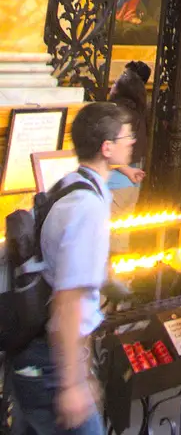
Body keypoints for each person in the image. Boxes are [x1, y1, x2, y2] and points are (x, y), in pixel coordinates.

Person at [10, 100, 136, 435]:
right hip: (51, 363)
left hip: (36, 357)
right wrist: (73, 382)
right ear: (107, 147)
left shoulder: (71, 185)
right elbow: (68, 301)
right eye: (127, 137)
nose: (132, 142)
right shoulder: (86, 207)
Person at [108, 61, 149, 217]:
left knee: (112, 236)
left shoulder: (115, 113)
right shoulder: (140, 112)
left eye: (114, 84)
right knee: (123, 236)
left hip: (115, 182)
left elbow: (107, 149)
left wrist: (126, 169)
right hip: (132, 183)